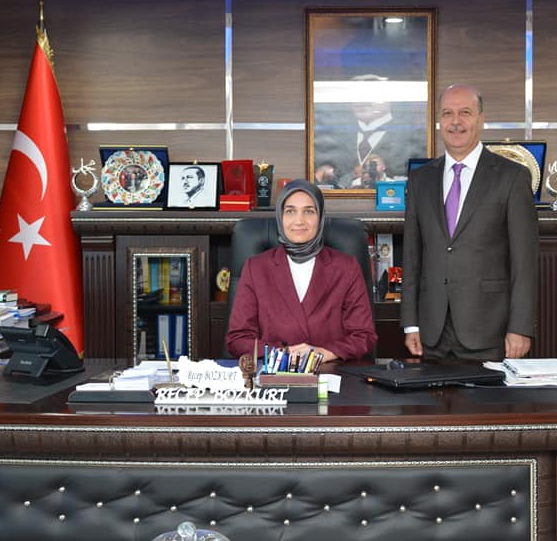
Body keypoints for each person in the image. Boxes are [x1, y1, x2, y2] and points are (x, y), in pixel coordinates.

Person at [401, 84, 539, 360]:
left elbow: (524, 261)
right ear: (439, 121)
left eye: (465, 112)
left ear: (481, 120)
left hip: (489, 329)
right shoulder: (420, 179)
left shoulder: (511, 177)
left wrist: (520, 327)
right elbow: (412, 255)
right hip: (431, 332)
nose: (455, 122)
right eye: (447, 113)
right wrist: (410, 324)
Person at [226, 179, 377, 362]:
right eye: (290, 211)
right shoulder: (256, 268)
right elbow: (238, 339)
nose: (299, 221)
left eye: (309, 211)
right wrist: (284, 354)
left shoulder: (346, 267)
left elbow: (363, 336)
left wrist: (323, 353)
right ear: (280, 217)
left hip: (330, 371)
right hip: (276, 371)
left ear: (320, 217)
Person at [313, 75, 426, 188]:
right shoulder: (334, 138)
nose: (362, 101)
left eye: (369, 94)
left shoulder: (412, 136)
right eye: (356, 95)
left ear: (389, 98)